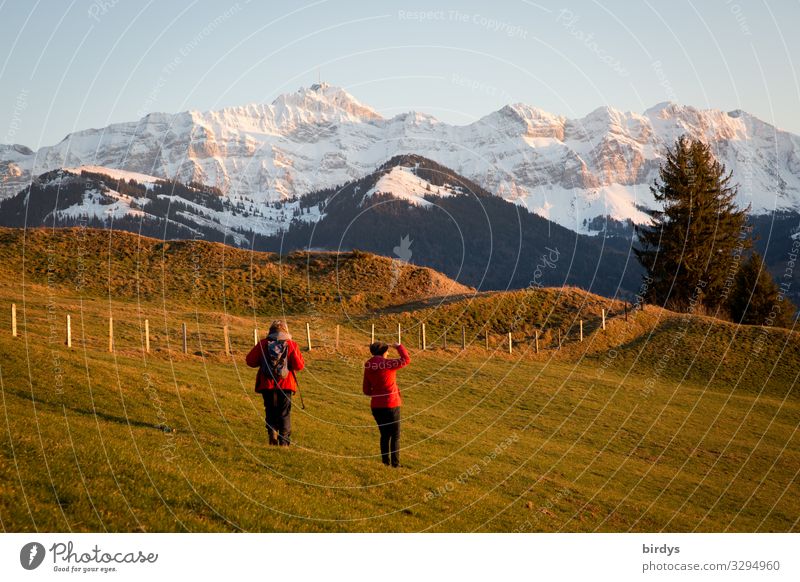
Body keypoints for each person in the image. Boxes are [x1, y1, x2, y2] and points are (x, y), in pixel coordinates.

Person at [246, 320, 304, 446]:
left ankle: (272, 433)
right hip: (286, 384)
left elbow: (250, 361)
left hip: (267, 384)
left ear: (271, 330)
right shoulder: (291, 344)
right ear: (285, 330)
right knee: (284, 413)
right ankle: (284, 443)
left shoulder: (263, 344)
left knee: (270, 410)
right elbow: (299, 366)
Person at [362, 342, 410, 467]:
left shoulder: (368, 365)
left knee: (384, 435)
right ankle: (395, 463)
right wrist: (399, 346)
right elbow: (406, 359)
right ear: (384, 352)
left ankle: (385, 462)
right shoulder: (388, 364)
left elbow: (366, 390)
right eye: (387, 352)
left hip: (376, 406)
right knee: (395, 435)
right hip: (391, 404)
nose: (388, 354)